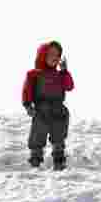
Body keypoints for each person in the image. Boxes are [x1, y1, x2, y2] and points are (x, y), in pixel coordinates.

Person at [21, 41, 74, 171]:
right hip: (41, 111)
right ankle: (35, 159)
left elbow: (69, 86)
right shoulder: (34, 74)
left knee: (59, 137)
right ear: (42, 55)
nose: (54, 57)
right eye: (50, 54)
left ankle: (59, 159)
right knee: (37, 136)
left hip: (58, 111)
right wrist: (28, 105)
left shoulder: (61, 75)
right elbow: (26, 90)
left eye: (57, 55)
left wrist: (65, 71)